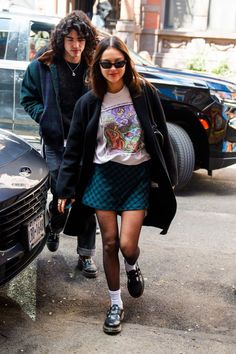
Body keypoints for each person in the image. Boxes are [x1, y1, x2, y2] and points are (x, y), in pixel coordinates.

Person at [56, 36, 177, 334]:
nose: (113, 69)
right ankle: (115, 304)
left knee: (127, 245)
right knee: (109, 243)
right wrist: (65, 188)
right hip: (102, 178)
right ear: (98, 66)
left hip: (136, 177)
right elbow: (73, 148)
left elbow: (161, 132)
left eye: (118, 63)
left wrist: (167, 178)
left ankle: (132, 267)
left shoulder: (143, 93)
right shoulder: (89, 102)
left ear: (126, 62)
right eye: (106, 64)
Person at [20, 10, 99, 278]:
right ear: (61, 40)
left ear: (88, 40)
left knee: (86, 196)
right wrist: (45, 117)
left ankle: (85, 255)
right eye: (70, 39)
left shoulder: (94, 65)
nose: (76, 45)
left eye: (81, 39)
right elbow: (27, 97)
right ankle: (54, 224)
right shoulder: (44, 64)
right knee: (60, 190)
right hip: (55, 141)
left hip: (86, 144)